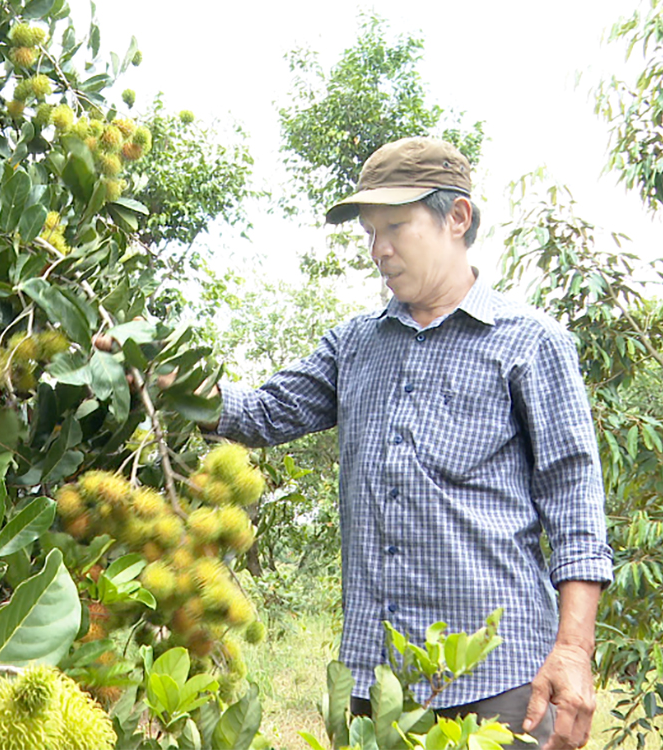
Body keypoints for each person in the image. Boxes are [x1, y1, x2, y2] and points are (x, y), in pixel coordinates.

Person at [101, 138, 612, 750]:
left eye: (395, 226)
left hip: (500, 683)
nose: (379, 250)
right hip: (376, 687)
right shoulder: (355, 344)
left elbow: (577, 513)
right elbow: (263, 411)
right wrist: (163, 377)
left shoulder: (530, 343)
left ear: (458, 218)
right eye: (370, 232)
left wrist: (574, 652)